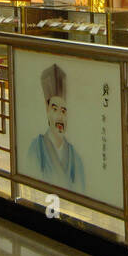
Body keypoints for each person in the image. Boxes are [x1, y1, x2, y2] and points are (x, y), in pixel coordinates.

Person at [26, 63, 85, 192]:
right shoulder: (36, 149)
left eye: (63, 111)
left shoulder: (75, 158)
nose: (60, 117)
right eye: (55, 109)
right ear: (47, 110)